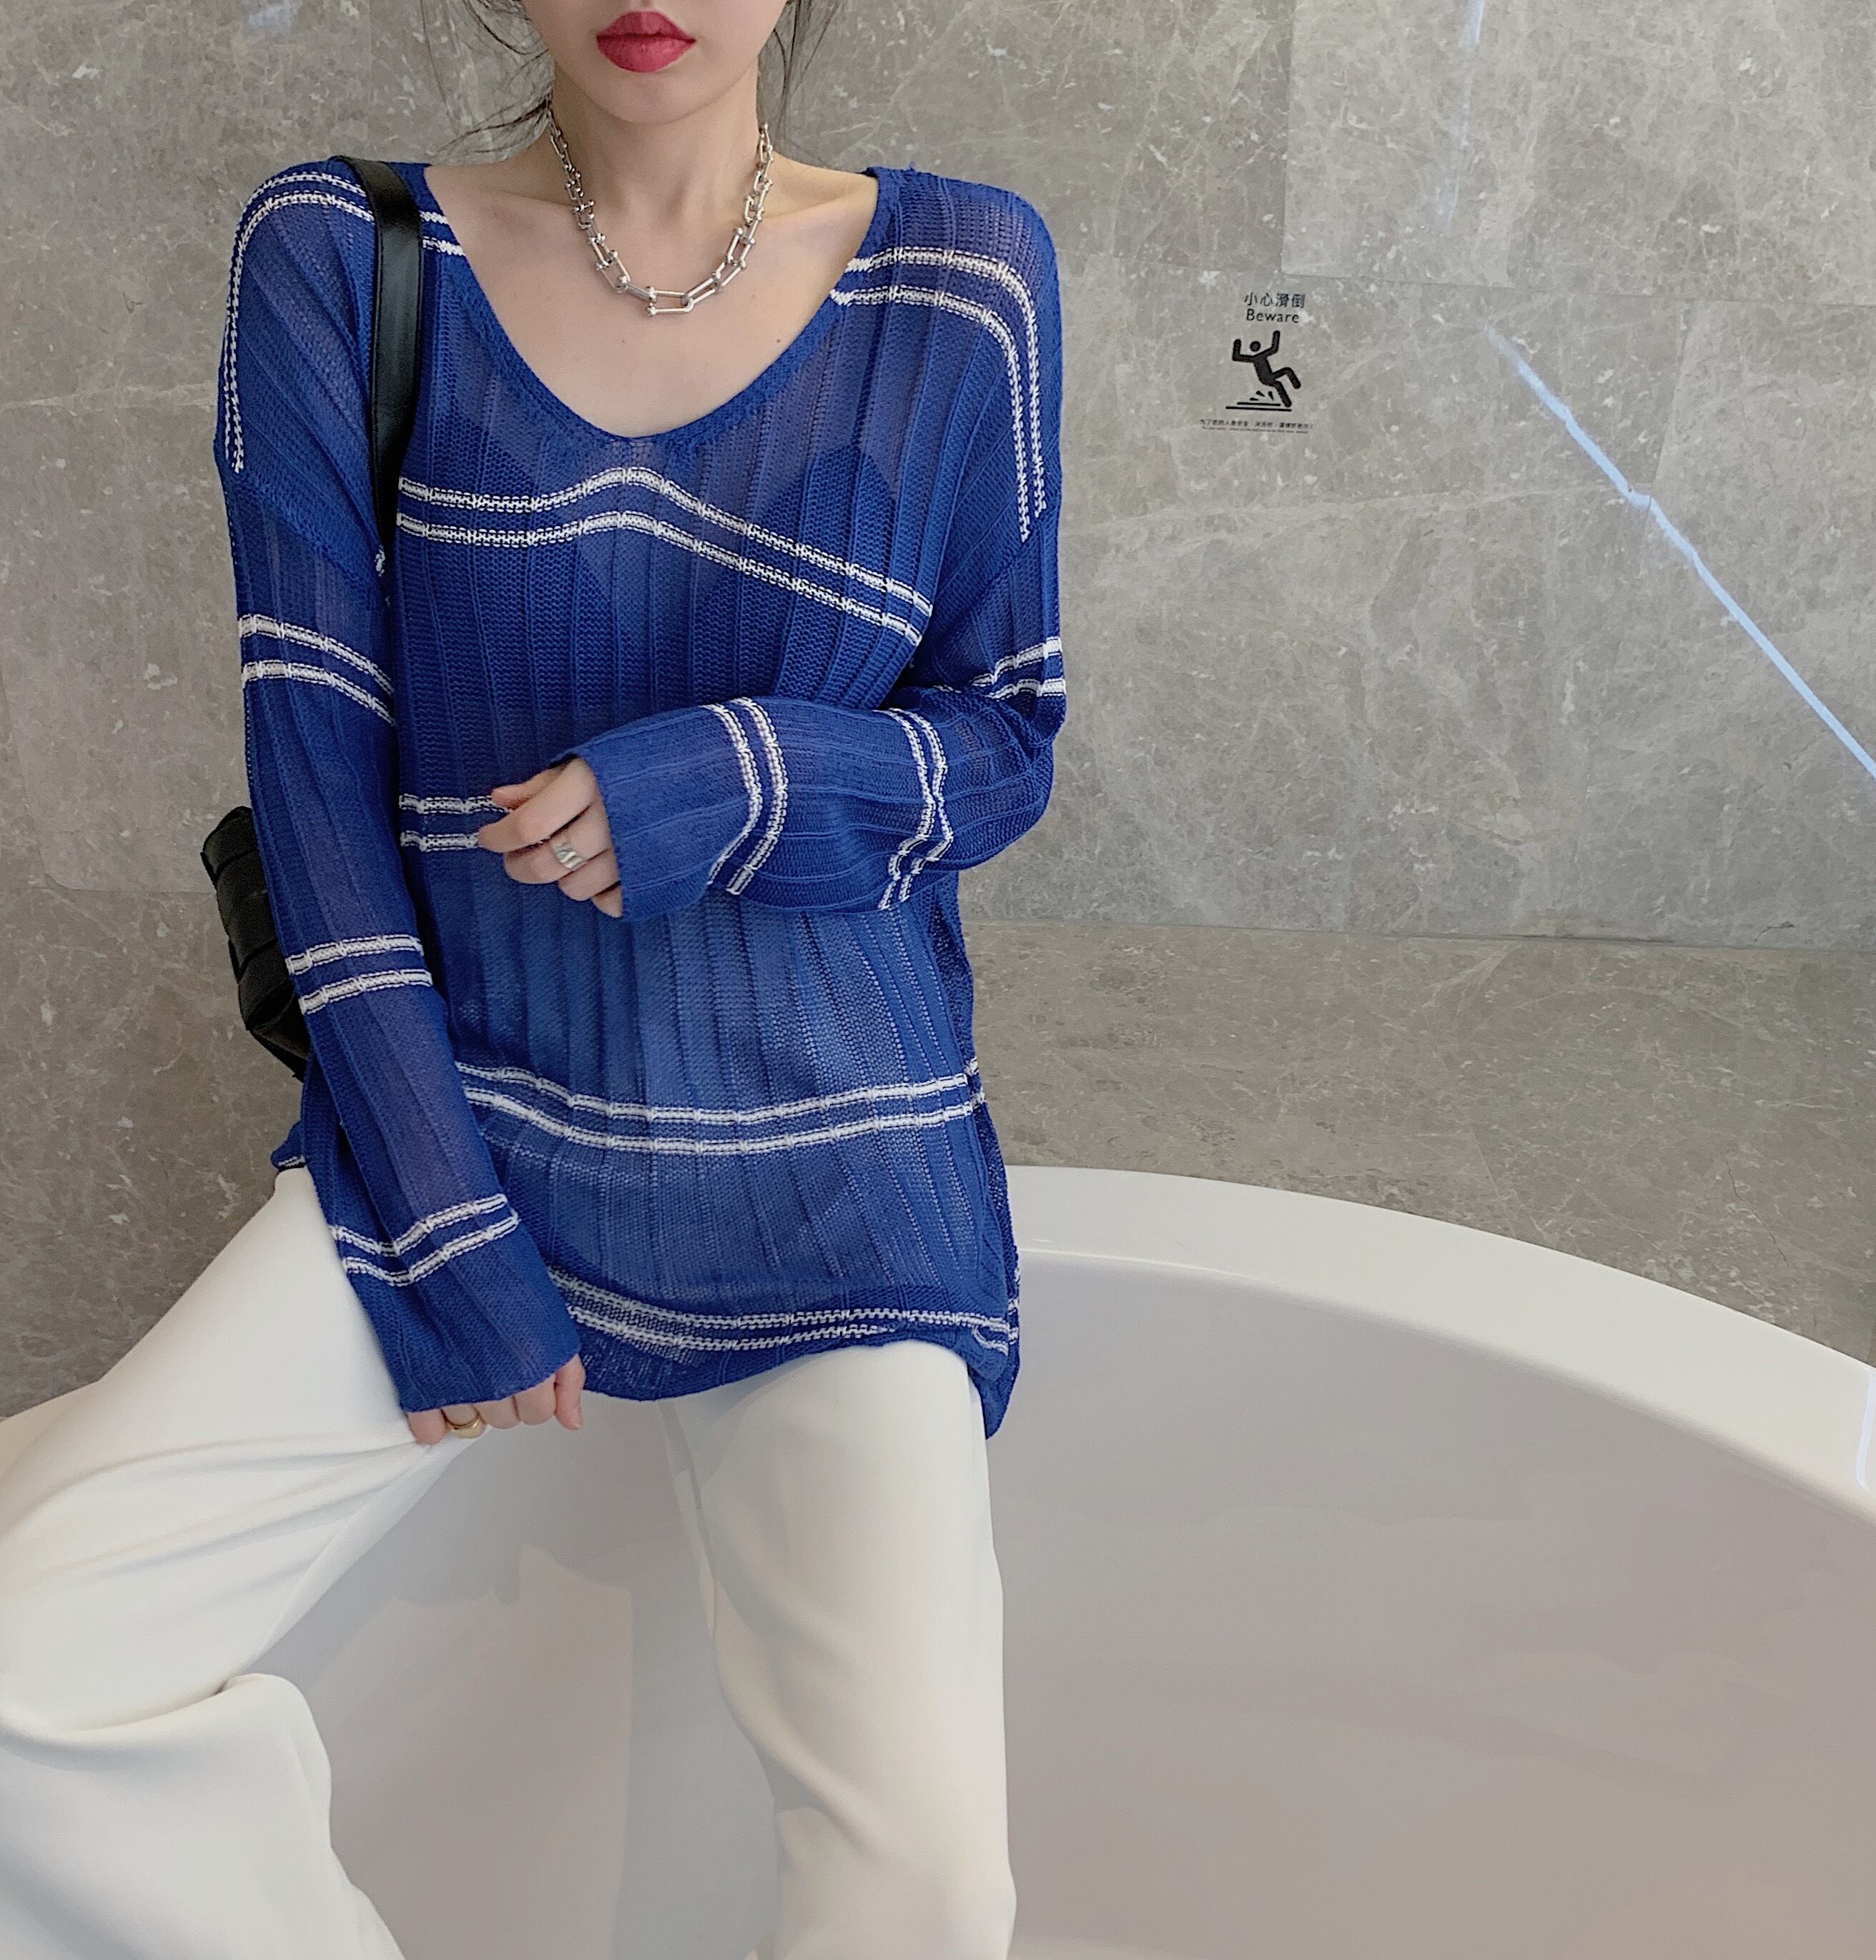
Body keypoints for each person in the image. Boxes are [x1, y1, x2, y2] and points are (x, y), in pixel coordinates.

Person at [0, 0, 1065, 1951]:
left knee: (924, 1879)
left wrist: (733, 782)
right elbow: (317, 794)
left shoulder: (963, 277)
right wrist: (451, 1233)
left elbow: (1005, 741)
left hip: (836, 1170)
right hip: (467, 1129)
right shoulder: (345, 257)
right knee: (24, 1686)